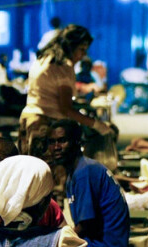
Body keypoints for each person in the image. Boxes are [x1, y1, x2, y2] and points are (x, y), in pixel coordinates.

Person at [19, 24, 113, 162]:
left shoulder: (44, 59)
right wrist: (97, 125)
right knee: (48, 176)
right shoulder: (63, 66)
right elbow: (66, 109)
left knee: (31, 172)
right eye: (82, 49)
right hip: (45, 124)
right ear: (71, 46)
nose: (83, 55)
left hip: (29, 119)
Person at [48, 118, 130, 247]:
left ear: (77, 142)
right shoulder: (77, 169)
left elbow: (86, 225)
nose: (56, 147)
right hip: (99, 243)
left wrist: (55, 243)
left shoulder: (84, 172)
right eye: (52, 142)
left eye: (62, 141)